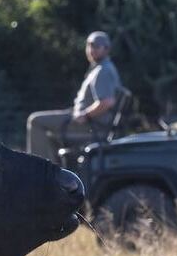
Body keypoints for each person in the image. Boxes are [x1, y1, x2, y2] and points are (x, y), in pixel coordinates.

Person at [27, 31, 121, 161]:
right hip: (87, 123)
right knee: (47, 133)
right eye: (89, 46)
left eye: (96, 46)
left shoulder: (103, 70)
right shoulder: (101, 68)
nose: (91, 50)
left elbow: (107, 101)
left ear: (106, 49)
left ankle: (38, 169)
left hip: (91, 127)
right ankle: (52, 169)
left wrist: (85, 115)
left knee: (35, 121)